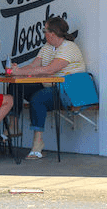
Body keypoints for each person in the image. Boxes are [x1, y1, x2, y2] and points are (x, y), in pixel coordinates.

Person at [9, 16, 85, 159]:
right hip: (49, 87)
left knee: (38, 98)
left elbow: (49, 70)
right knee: (16, 85)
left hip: (67, 91)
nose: (43, 33)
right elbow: (33, 66)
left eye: (45, 30)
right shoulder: (47, 47)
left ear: (52, 33)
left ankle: (38, 143)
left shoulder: (69, 47)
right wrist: (16, 72)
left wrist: (20, 72)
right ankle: (13, 125)